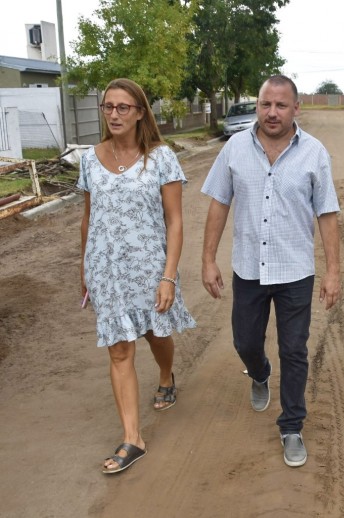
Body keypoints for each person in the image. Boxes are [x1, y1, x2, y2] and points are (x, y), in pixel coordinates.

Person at [201, 74, 341, 468]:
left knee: (294, 349)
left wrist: (333, 272)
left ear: (297, 108)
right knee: (245, 341)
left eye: (281, 105)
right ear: (257, 105)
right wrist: (208, 258)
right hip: (248, 269)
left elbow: (327, 214)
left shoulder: (314, 153)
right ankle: (259, 372)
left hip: (295, 270)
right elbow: (218, 204)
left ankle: (291, 425)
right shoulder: (234, 148)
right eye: (266, 104)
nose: (272, 112)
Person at [78, 78, 196, 474]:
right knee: (119, 348)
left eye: (122, 107)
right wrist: (84, 268)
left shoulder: (161, 158)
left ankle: (166, 375)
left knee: (155, 333)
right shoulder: (89, 159)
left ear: (140, 112)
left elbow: (175, 221)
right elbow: (88, 218)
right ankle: (133, 438)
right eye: (108, 107)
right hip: (106, 270)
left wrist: (169, 276)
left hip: (150, 268)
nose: (114, 114)